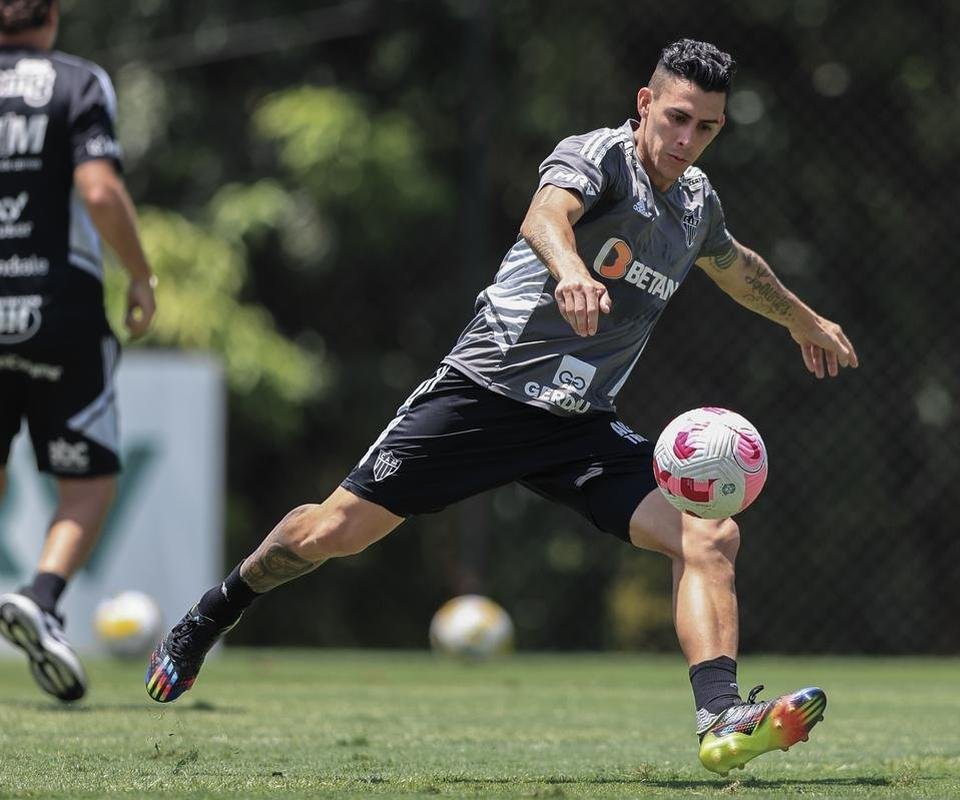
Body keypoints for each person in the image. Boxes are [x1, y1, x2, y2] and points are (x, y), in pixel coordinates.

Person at [146, 38, 856, 775]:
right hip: (484, 397)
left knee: (710, 535)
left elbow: (735, 264)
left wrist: (802, 319)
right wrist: (571, 269)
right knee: (333, 532)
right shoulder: (600, 156)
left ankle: (721, 719)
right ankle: (209, 617)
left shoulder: (697, 202)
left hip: (578, 424)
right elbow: (544, 214)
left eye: (706, 127)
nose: (687, 139)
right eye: (677, 118)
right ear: (645, 104)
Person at [0, 0, 156, 703]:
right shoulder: (78, 81)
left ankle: (40, 605)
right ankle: (42, 596)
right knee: (86, 483)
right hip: (58, 308)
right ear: (51, 15)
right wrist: (142, 274)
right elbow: (97, 189)